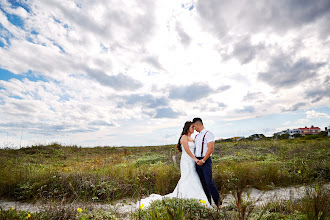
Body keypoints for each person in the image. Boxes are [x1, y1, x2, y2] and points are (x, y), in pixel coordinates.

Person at [137, 121, 211, 209]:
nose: (194, 129)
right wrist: (195, 159)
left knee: (194, 178)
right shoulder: (184, 137)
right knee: (187, 177)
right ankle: (185, 196)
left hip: (192, 161)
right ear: (187, 128)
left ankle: (194, 198)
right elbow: (187, 150)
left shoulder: (192, 138)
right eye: (192, 127)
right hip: (187, 161)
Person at [193, 117, 222, 209]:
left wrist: (203, 160)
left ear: (197, 124)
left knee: (209, 182)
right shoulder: (197, 136)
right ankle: (208, 203)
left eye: (194, 126)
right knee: (203, 183)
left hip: (205, 161)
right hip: (197, 161)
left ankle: (218, 203)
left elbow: (210, 148)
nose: (194, 129)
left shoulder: (208, 134)